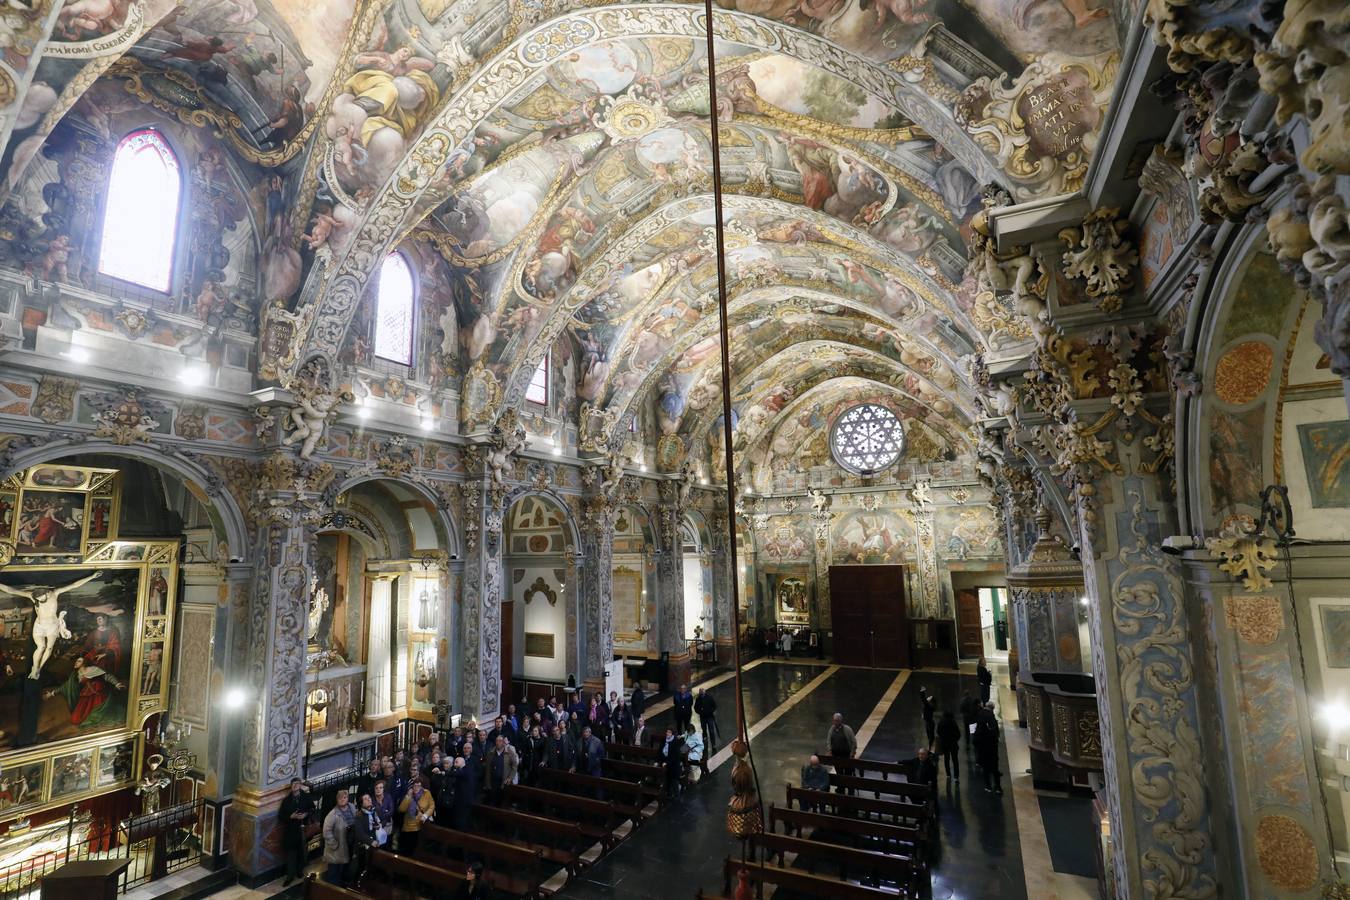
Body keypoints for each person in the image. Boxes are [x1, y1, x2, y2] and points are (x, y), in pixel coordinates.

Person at [279, 778, 314, 886]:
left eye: (297, 784)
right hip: (291, 831)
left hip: (303, 830)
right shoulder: (287, 801)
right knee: (291, 855)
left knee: (302, 852)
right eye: (293, 784)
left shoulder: (306, 797)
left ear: (300, 785)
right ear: (291, 786)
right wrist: (291, 816)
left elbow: (312, 808)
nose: (295, 786)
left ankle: (300, 871)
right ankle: (290, 876)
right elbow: (281, 816)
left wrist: (306, 815)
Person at [351, 793, 384, 887]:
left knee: (372, 865)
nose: (369, 800)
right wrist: (371, 842)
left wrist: (377, 826)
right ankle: (356, 884)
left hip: (374, 844)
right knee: (360, 867)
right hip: (362, 846)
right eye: (365, 799)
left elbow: (376, 823)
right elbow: (360, 834)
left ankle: (370, 883)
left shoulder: (373, 811)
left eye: (369, 798)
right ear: (362, 803)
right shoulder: (359, 816)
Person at [321, 789, 354, 885]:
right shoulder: (332, 814)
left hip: (349, 842)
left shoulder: (352, 807)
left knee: (345, 866)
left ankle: (342, 883)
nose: (343, 800)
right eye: (340, 798)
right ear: (337, 800)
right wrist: (334, 844)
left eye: (345, 797)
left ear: (348, 798)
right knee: (334, 870)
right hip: (336, 846)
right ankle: (333, 888)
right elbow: (326, 832)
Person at [398, 776, 435, 854]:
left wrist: (426, 815)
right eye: (415, 785)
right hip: (410, 825)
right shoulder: (409, 794)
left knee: (420, 847)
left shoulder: (426, 793)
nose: (416, 788)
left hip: (422, 824)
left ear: (421, 786)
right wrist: (408, 797)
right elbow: (401, 809)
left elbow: (432, 806)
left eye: (418, 786)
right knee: (408, 847)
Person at [974, 702, 1002, 794]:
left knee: (986, 768)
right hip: (991, 748)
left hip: (982, 748)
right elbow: (995, 733)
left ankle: (988, 786)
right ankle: (998, 787)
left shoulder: (980, 716)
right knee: (994, 768)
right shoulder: (991, 718)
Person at [484, 735, 519, 806]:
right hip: (493, 782)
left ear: (503, 742)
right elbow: (487, 768)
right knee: (492, 802)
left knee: (503, 803)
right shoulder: (491, 752)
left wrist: (510, 778)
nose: (498, 743)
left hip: (504, 782)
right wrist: (487, 782)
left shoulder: (509, 752)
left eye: (500, 741)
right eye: (496, 741)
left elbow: (514, 766)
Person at [659, 727, 685, 797]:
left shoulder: (675, 742)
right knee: (666, 780)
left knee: (674, 782)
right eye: (667, 732)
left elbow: (675, 756)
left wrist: (667, 762)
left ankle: (677, 797)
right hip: (665, 763)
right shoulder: (664, 740)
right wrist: (658, 761)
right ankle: (668, 794)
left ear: (672, 734)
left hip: (673, 765)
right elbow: (660, 751)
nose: (667, 733)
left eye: (669, 732)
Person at [936, 709, 961, 781]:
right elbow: (958, 734)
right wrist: (955, 740)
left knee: (946, 759)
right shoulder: (953, 723)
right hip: (953, 744)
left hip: (944, 744)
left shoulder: (941, 722)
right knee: (955, 760)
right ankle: (956, 776)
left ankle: (948, 774)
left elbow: (938, 732)